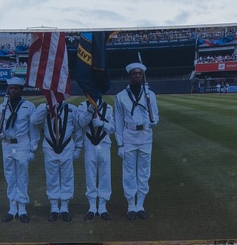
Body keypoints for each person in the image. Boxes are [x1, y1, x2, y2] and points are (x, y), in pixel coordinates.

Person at [112, 60, 160, 220]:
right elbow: (118, 121)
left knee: (144, 172)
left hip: (146, 136)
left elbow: (156, 114)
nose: (137, 76)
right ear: (129, 76)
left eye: (140, 74)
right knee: (129, 173)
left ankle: (140, 205)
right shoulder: (120, 97)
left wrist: (154, 121)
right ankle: (131, 206)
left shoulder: (150, 95)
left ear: (143, 76)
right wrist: (119, 144)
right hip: (129, 136)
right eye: (134, 74)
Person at [0, 76, 38, 222]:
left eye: (16, 88)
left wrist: (33, 149)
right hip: (7, 144)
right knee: (10, 177)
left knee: (22, 177)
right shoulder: (2, 107)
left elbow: (34, 130)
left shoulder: (29, 106)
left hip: (22, 144)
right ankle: (12, 208)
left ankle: (22, 209)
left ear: (21, 90)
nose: (13, 91)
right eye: (10, 88)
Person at [33, 91, 83, 222]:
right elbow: (34, 120)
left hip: (67, 146)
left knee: (67, 177)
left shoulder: (72, 109)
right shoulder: (42, 108)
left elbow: (78, 129)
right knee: (52, 177)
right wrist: (47, 108)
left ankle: (65, 207)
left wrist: (78, 147)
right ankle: (54, 207)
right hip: (50, 147)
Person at [79, 92, 114, 220]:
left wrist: (102, 124)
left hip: (104, 143)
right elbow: (81, 123)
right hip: (89, 144)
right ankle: (92, 207)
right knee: (90, 174)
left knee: (105, 175)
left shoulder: (108, 107)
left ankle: (103, 206)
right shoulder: (83, 106)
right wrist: (90, 109)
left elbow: (112, 129)